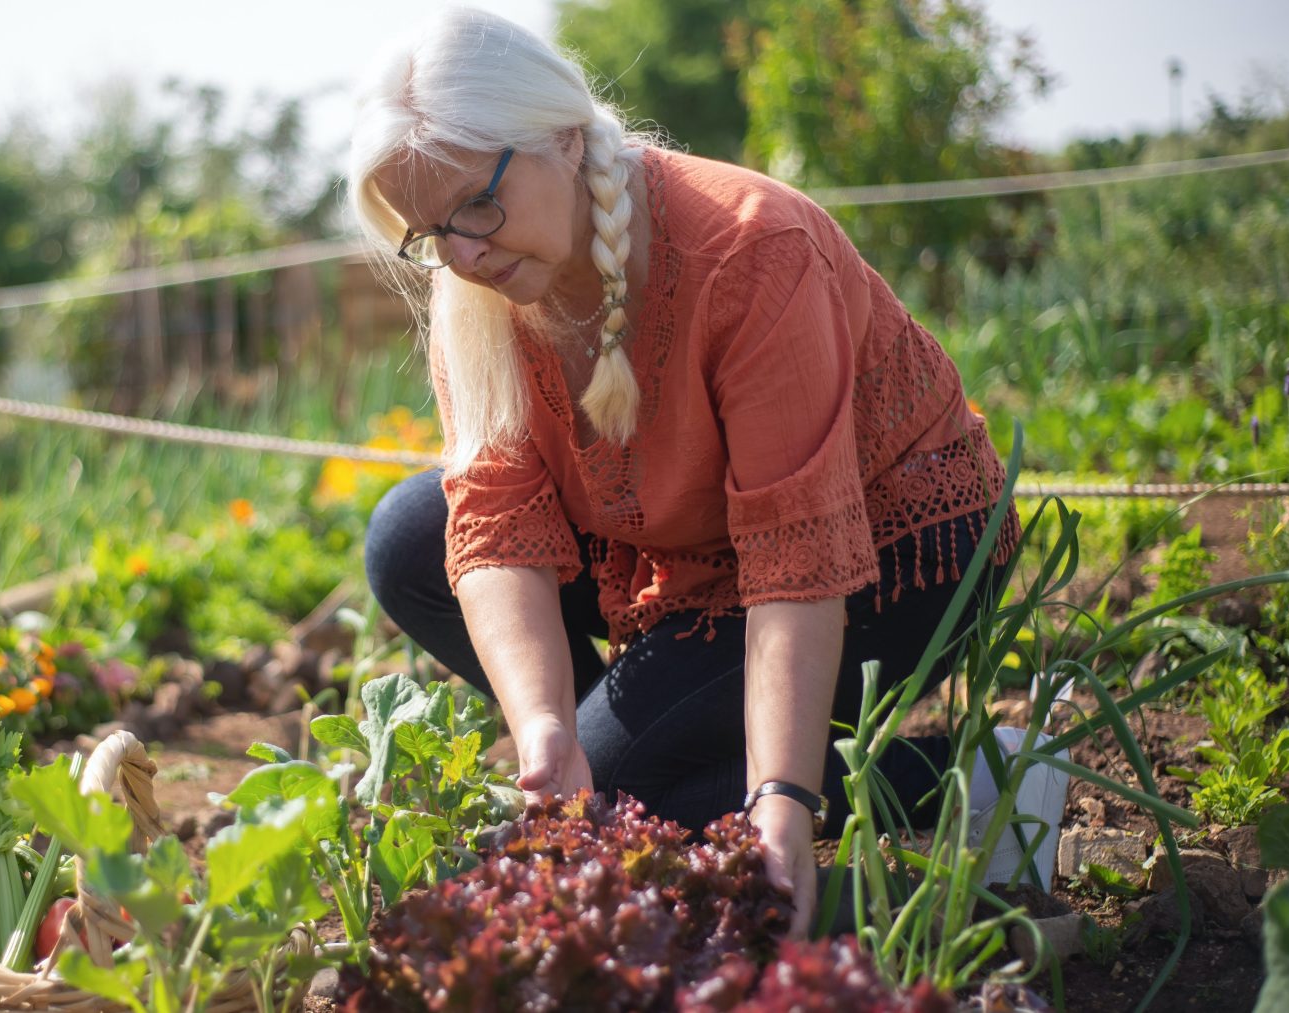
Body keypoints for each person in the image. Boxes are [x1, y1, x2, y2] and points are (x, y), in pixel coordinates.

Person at [349, 7, 1065, 936]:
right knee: (412, 537)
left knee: (627, 791)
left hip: (893, 549)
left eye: (476, 208)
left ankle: (976, 776)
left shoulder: (751, 250)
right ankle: (632, 758)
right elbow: (496, 517)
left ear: (562, 137)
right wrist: (545, 728)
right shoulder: (475, 286)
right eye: (431, 233)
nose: (464, 254)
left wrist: (782, 798)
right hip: (692, 551)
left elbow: (796, 563)